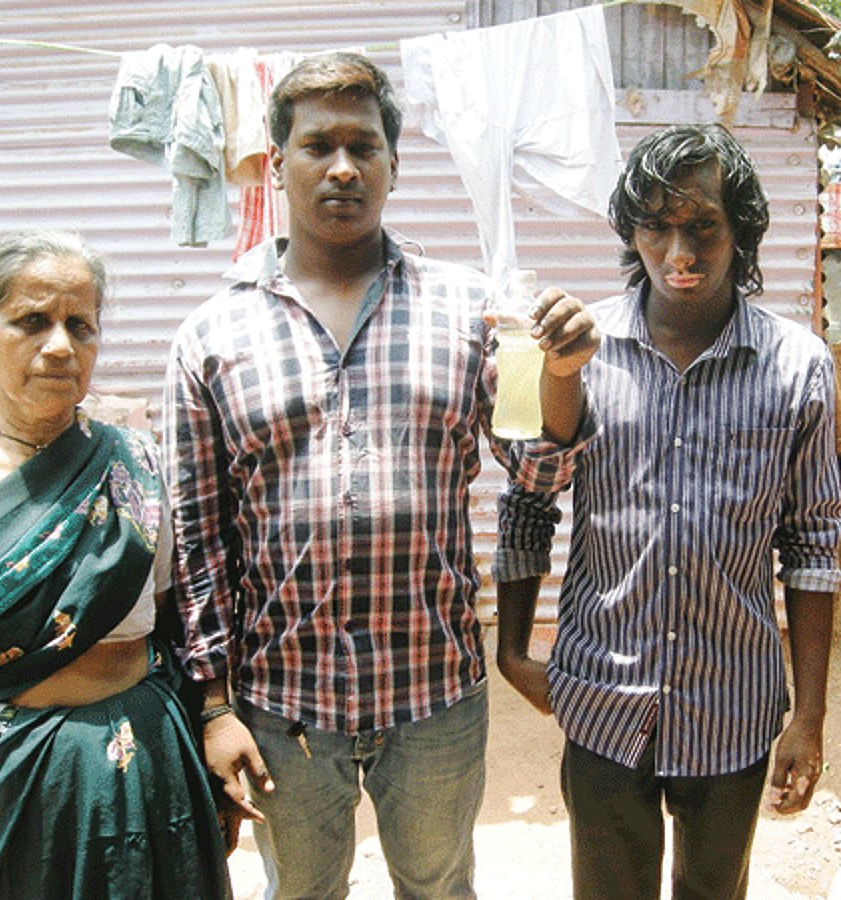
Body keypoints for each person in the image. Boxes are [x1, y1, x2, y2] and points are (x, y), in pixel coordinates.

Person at [161, 52, 598, 899]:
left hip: (432, 692)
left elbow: (538, 462)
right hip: (283, 701)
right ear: (276, 161)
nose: (341, 167)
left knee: (438, 887)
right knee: (301, 892)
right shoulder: (211, 334)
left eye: (364, 145)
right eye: (317, 144)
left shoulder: (471, 310)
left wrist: (563, 372)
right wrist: (214, 707)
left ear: (394, 166)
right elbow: (198, 538)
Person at [494, 123, 841, 900]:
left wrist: (811, 718)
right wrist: (513, 652)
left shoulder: (801, 366)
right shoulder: (559, 345)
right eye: (656, 226)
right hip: (602, 701)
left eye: (703, 227)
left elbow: (814, 545)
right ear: (631, 231)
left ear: (742, 229)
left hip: (735, 705)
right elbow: (525, 496)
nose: (679, 254)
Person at [0, 231, 231, 898]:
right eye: (31, 321)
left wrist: (211, 740)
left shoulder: (138, 469)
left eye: (81, 326)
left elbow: (172, 627)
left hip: (138, 766)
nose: (60, 346)